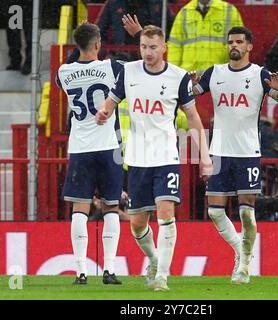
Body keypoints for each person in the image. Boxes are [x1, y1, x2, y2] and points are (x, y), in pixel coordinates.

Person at [96, 25, 212, 291]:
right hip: (137, 159)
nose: (148, 53)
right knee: (137, 224)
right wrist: (103, 112)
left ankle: (162, 276)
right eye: (144, 47)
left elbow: (193, 117)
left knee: (165, 211)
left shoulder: (179, 77)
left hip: (166, 156)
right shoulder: (128, 72)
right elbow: (111, 102)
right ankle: (153, 258)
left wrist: (204, 156)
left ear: (164, 48)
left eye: (153, 47)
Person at [190, 26, 278, 284]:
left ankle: (243, 266)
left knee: (246, 213)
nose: (233, 45)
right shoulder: (215, 73)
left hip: (247, 152)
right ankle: (242, 252)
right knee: (215, 212)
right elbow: (192, 93)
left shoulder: (260, 74)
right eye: (230, 42)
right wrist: (191, 85)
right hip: (220, 152)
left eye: (238, 42)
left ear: (249, 46)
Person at [56, 22, 124, 286]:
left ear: (76, 45)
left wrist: (80, 48)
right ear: (98, 44)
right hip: (108, 148)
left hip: (80, 148)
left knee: (79, 209)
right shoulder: (112, 68)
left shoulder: (64, 71)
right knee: (111, 208)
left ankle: (81, 272)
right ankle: (109, 270)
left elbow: (68, 69)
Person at [167, 0, 244, 73]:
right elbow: (175, 47)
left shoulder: (230, 11)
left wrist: (237, 72)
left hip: (220, 76)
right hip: (190, 76)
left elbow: (241, 46)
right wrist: (174, 74)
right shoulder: (184, 12)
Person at [98, 0, 175, 46]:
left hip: (151, 54)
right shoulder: (113, 3)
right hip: (121, 55)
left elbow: (173, 30)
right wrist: (107, 52)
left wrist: (139, 34)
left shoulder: (158, 3)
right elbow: (98, 31)